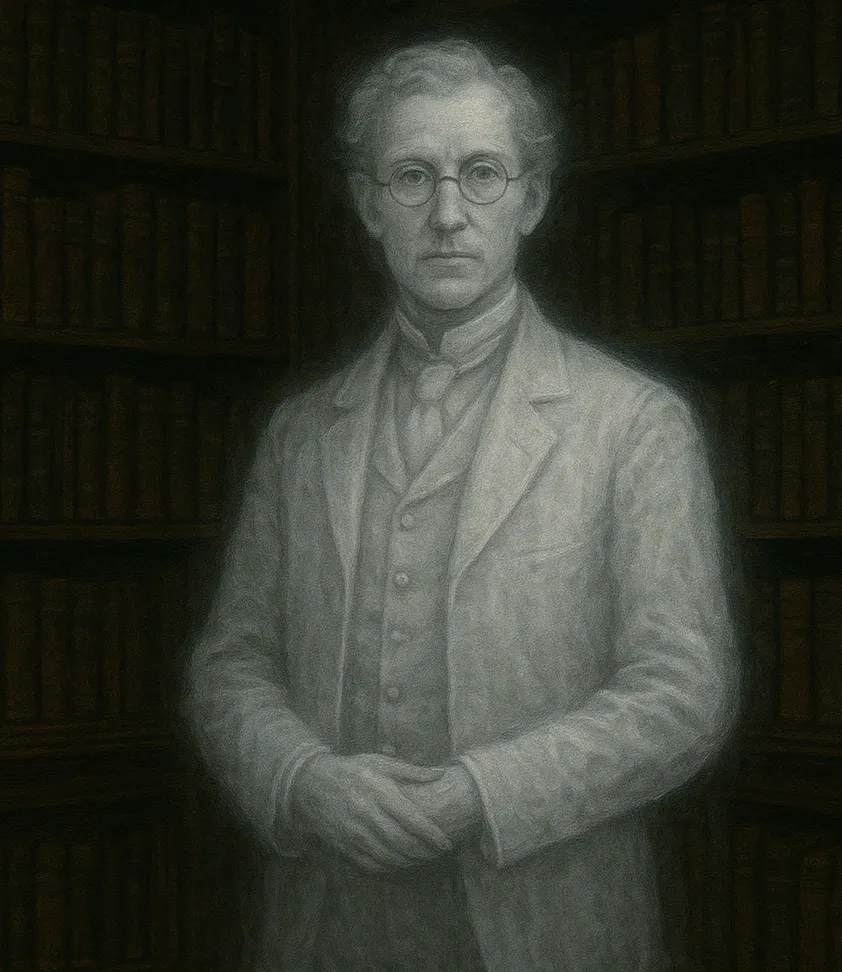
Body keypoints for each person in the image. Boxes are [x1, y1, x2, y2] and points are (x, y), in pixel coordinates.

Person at [185, 37, 738, 972]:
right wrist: (307, 780)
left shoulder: (634, 422)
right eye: (412, 177)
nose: (448, 213)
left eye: (481, 174)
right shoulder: (300, 432)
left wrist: (479, 793)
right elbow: (229, 663)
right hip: (326, 925)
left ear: (533, 198)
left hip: (544, 926)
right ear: (368, 205)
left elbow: (684, 696)